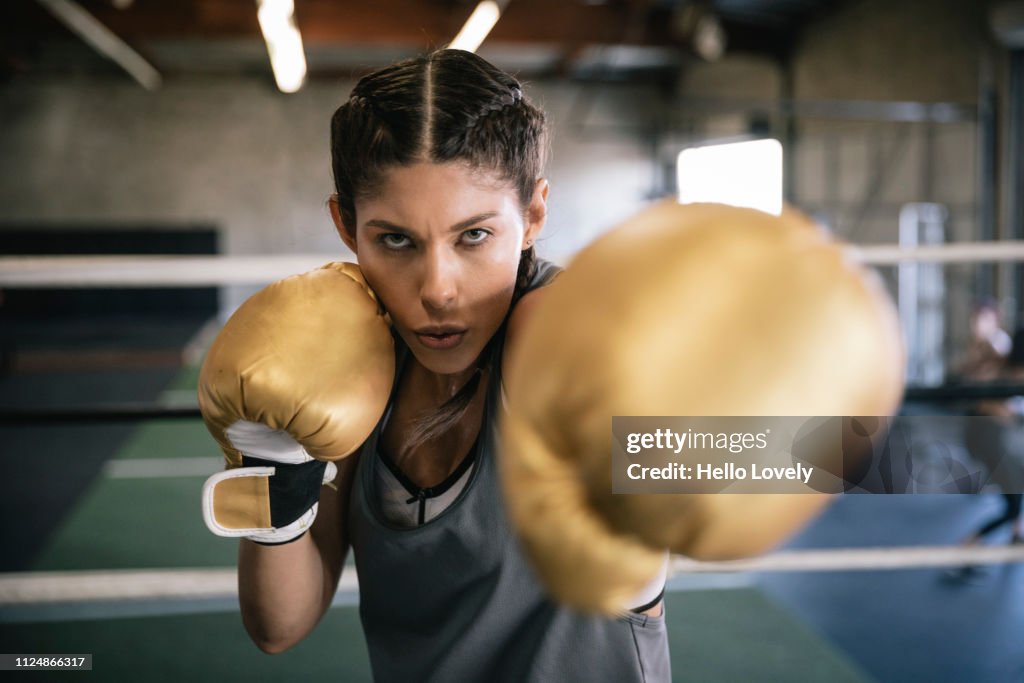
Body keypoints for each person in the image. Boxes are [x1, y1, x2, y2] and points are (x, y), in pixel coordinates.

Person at [201, 49, 671, 682]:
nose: (438, 290)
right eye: (396, 240)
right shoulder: (352, 360)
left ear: (533, 215)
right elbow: (278, 627)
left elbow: (846, 457)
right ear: (346, 225)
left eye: (474, 235)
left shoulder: (550, 332)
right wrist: (276, 466)